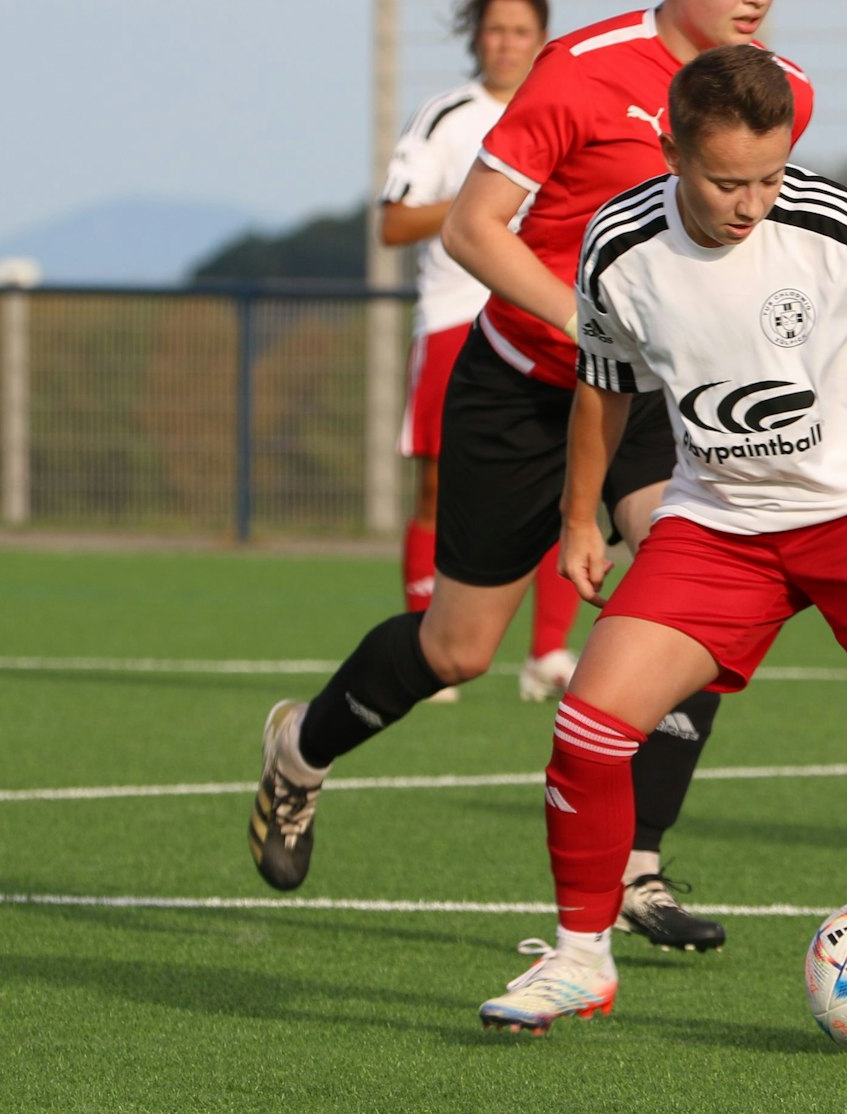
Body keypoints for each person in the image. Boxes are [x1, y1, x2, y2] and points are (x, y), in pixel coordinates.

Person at [476, 46, 847, 1064]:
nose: (753, 204)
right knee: (588, 726)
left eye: (769, 176)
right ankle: (581, 960)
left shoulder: (832, 221)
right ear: (670, 150)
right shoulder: (616, 244)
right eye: (728, 182)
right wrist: (580, 517)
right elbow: (604, 384)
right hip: (719, 522)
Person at [248, 1, 813, 955]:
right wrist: (593, 327)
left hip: (650, 398)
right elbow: (472, 230)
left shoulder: (783, 91)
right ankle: (300, 751)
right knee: (458, 648)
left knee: (697, 582)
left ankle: (636, 865)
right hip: (522, 385)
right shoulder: (581, 69)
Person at [380, 0, 579, 704]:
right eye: (495, 29)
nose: (506, 43)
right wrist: (487, 193)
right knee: (437, 486)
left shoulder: (565, 107)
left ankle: (548, 651)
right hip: (454, 320)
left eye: (521, 31)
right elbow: (395, 223)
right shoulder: (446, 117)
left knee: (567, 484)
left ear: (542, 39)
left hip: (543, 320)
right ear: (476, 37)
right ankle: (425, 646)